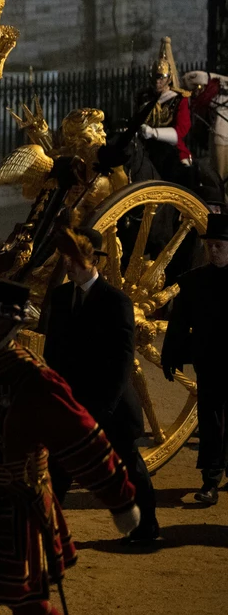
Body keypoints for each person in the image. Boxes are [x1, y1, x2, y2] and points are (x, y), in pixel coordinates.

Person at [0, 270, 139, 615]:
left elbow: (83, 439)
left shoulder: (33, 380)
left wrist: (119, 498)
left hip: (15, 512)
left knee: (18, 601)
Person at [43, 227, 159, 544]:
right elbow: (52, 351)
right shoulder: (61, 297)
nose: (69, 265)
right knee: (57, 470)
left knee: (126, 466)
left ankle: (147, 528)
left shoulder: (116, 301)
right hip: (72, 404)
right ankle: (42, 534)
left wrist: (103, 409)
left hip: (111, 408)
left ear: (94, 260)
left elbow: (122, 361)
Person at [162, 212, 228, 505]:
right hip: (210, 360)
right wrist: (170, 355)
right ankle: (211, 481)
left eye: (219, 245)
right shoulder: (193, 282)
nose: (213, 250)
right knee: (211, 421)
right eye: (210, 245)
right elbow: (178, 323)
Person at [138, 41, 193, 189]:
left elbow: (181, 131)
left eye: (161, 78)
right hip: (146, 147)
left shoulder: (179, 99)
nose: (158, 81)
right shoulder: (144, 97)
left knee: (184, 176)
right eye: (155, 77)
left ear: (169, 78)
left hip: (171, 147)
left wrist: (153, 132)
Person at [184, 70, 228, 188]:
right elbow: (189, 78)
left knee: (220, 177)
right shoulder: (218, 83)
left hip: (221, 134)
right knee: (218, 177)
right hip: (219, 133)